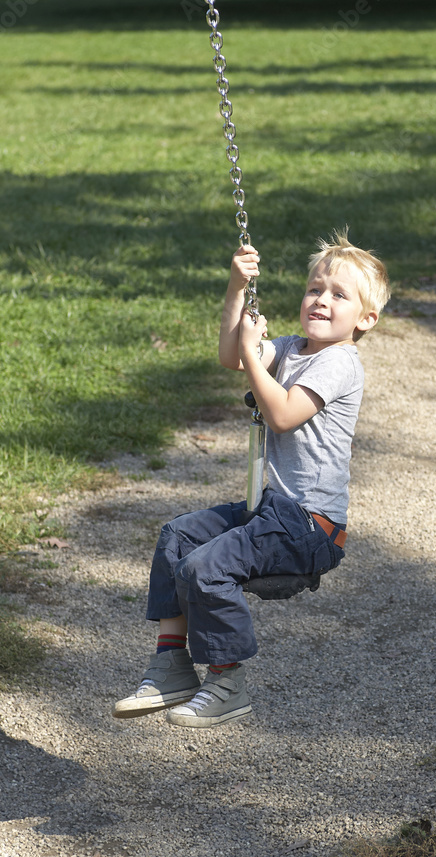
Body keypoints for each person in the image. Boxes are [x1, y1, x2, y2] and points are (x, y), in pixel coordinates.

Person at [112, 229, 390, 728]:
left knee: (204, 567)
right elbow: (231, 356)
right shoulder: (289, 347)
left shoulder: (340, 361)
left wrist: (253, 356)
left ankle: (227, 682)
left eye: (338, 295)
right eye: (314, 289)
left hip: (309, 526)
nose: (321, 300)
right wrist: (236, 289)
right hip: (270, 512)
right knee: (177, 536)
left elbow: (282, 413)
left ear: (366, 319)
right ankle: (173, 664)